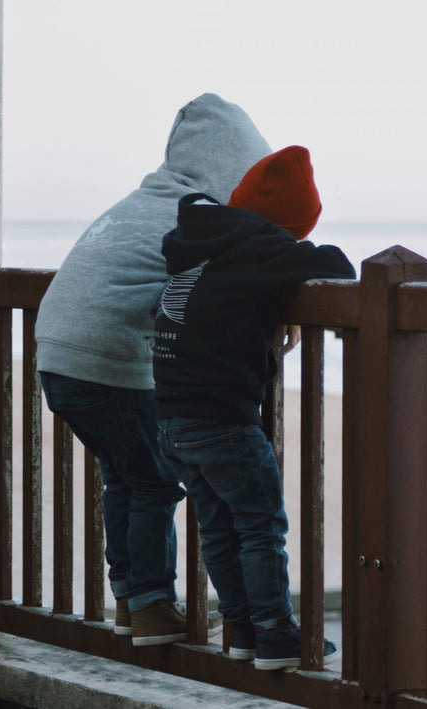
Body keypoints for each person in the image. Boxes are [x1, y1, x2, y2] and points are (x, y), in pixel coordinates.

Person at [35, 94, 272, 646]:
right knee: (157, 481)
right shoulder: (201, 218)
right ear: (237, 166)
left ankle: (133, 602)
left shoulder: (141, 201)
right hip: (106, 361)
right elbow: (229, 291)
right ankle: (150, 607)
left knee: (127, 478)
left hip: (58, 357)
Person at [153, 146, 355, 669]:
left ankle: (243, 629)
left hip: (171, 417)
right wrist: (288, 255)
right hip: (223, 418)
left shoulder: (197, 244)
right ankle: (276, 634)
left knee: (219, 526)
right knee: (262, 527)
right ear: (290, 226)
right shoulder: (260, 246)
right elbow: (336, 265)